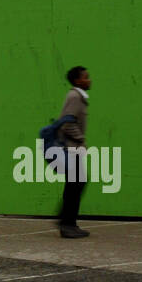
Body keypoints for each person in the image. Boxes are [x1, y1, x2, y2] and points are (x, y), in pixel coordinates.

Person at [57, 65, 91, 238]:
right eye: (86, 77)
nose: (89, 79)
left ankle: (68, 222)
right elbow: (67, 123)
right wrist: (81, 139)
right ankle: (67, 223)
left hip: (73, 148)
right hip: (71, 149)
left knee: (75, 184)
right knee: (75, 184)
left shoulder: (79, 96)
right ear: (77, 80)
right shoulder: (75, 96)